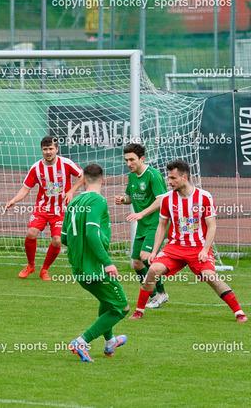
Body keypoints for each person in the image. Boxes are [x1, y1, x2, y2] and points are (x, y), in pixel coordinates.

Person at [128, 160, 247, 322]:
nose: (169, 182)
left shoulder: (204, 197)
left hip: (198, 248)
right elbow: (162, 226)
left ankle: (238, 312)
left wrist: (205, 250)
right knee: (153, 270)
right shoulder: (167, 199)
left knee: (210, 276)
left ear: (184, 177)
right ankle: (139, 311)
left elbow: (211, 226)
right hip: (174, 247)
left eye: (173, 178)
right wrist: (154, 251)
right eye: (168, 178)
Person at [62, 164, 128, 362]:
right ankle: (82, 341)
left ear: (82, 179)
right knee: (121, 307)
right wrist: (107, 262)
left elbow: (64, 238)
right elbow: (91, 232)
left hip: (78, 266)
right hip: (96, 266)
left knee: (106, 302)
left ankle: (110, 342)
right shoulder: (98, 200)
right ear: (103, 179)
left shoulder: (73, 202)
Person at [5, 136, 84, 280]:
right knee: (31, 232)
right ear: (41, 150)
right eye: (45, 149)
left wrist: (71, 191)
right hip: (42, 208)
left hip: (61, 210)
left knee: (57, 240)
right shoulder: (36, 167)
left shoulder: (66, 163)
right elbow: (26, 188)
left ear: (56, 149)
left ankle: (44, 269)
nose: (48, 152)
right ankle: (30, 265)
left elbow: (82, 175)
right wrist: (14, 200)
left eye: (51, 149)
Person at [115, 143, 168, 308]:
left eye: (132, 160)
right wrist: (124, 199)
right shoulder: (132, 176)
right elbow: (130, 196)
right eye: (126, 160)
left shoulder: (153, 175)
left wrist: (142, 213)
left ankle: (161, 293)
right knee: (137, 263)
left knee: (146, 257)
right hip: (143, 225)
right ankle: (152, 294)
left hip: (156, 223)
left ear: (142, 158)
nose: (129, 163)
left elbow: (161, 200)